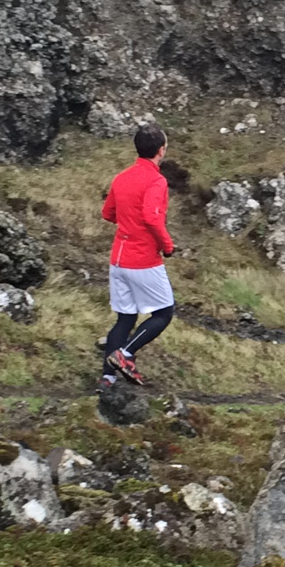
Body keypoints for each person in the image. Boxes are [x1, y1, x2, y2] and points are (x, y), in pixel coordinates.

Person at [99, 123, 177, 388]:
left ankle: (107, 379)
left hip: (118, 259)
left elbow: (107, 213)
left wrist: (127, 221)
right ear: (161, 150)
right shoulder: (156, 181)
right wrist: (167, 246)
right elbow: (152, 218)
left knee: (125, 317)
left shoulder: (122, 178)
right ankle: (125, 354)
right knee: (164, 313)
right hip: (142, 259)